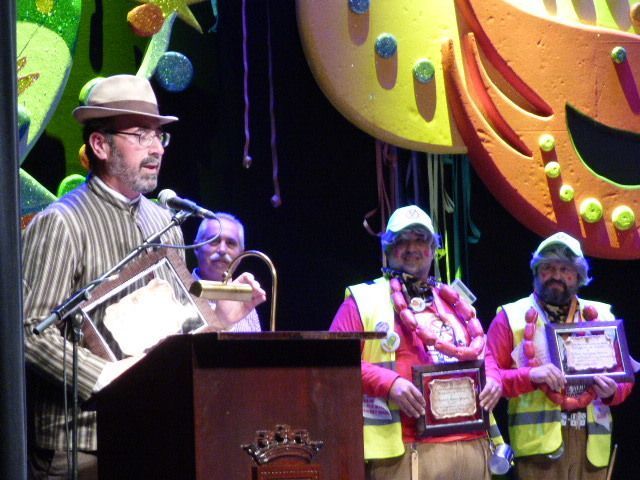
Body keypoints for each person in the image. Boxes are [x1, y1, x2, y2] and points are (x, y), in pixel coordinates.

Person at [22, 74, 265, 479]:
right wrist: (108, 375)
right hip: (82, 445)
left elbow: (178, 328)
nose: (156, 148)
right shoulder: (62, 222)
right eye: (140, 135)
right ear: (100, 145)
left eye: (159, 136)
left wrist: (221, 318)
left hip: (152, 434)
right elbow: (31, 332)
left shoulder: (164, 223)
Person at [330, 205, 502, 480]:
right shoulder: (362, 300)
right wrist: (389, 383)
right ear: (388, 249)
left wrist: (493, 377)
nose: (412, 248)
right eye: (402, 240)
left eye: (420, 240)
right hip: (405, 450)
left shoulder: (454, 300)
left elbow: (484, 353)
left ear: (433, 249)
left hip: (472, 443)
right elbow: (335, 362)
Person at [486, 232, 633, 479]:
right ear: (536, 272)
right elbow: (491, 379)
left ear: (578, 275)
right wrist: (530, 375)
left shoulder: (602, 316)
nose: (556, 275)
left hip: (591, 448)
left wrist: (611, 392)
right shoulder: (511, 317)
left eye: (565, 269)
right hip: (537, 452)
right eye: (548, 268)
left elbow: (625, 379)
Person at [193, 213, 261, 332]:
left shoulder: (246, 303)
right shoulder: (175, 293)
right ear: (196, 247)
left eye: (230, 243)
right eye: (214, 240)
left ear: (241, 255)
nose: (222, 250)